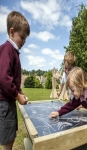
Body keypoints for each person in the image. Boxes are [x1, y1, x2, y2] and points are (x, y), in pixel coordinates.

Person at [0, 11, 30, 150]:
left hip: (9, 102)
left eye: (25, 38)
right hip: (4, 103)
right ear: (12, 32)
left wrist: (20, 92)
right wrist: (17, 96)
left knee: (11, 136)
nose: (23, 41)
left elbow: (13, 79)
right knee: (7, 138)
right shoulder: (7, 49)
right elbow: (5, 79)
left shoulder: (14, 51)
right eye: (22, 37)